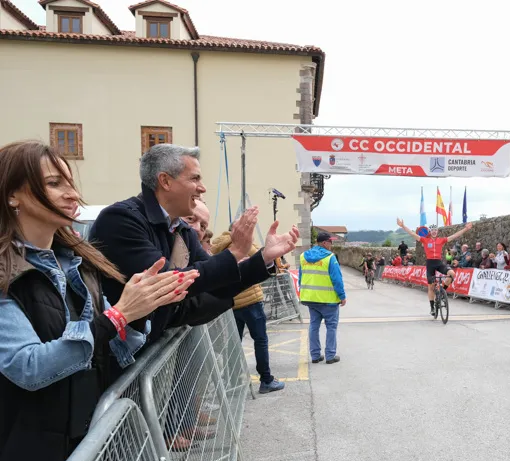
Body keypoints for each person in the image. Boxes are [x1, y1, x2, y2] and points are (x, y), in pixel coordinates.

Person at [0, 140, 198, 461]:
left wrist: (142, 312)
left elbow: (109, 349)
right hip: (21, 459)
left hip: (75, 445)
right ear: (13, 197)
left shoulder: (79, 263)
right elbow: (26, 367)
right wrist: (121, 315)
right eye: (55, 183)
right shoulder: (7, 273)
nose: (72, 193)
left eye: (69, 181)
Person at [89, 144, 299, 346]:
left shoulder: (179, 228)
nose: (202, 188)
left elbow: (214, 280)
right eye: (195, 178)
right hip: (117, 360)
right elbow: (167, 285)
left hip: (143, 352)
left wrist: (264, 258)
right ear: (165, 181)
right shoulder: (120, 219)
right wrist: (234, 252)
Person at [210, 231, 285, 393]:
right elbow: (259, 255)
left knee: (233, 344)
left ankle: (233, 382)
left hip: (232, 303)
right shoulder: (242, 246)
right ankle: (266, 380)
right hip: (251, 300)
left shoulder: (220, 248)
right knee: (260, 340)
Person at [396, 218, 473, 316]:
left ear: (437, 231)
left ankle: (442, 291)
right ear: (430, 231)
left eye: (435, 230)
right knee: (431, 286)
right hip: (430, 264)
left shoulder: (441, 240)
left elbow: (454, 236)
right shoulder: (425, 240)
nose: (434, 232)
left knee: (452, 274)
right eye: (432, 230)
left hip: (439, 263)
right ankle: (432, 307)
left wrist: (465, 229)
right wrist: (403, 226)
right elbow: (412, 234)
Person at [299, 233, 346, 364]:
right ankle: (330, 355)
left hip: (310, 298)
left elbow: (301, 277)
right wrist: (342, 296)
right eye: (330, 242)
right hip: (328, 300)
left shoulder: (303, 256)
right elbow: (337, 279)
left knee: (314, 325)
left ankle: (315, 355)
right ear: (324, 243)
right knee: (331, 326)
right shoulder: (330, 258)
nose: (331, 244)